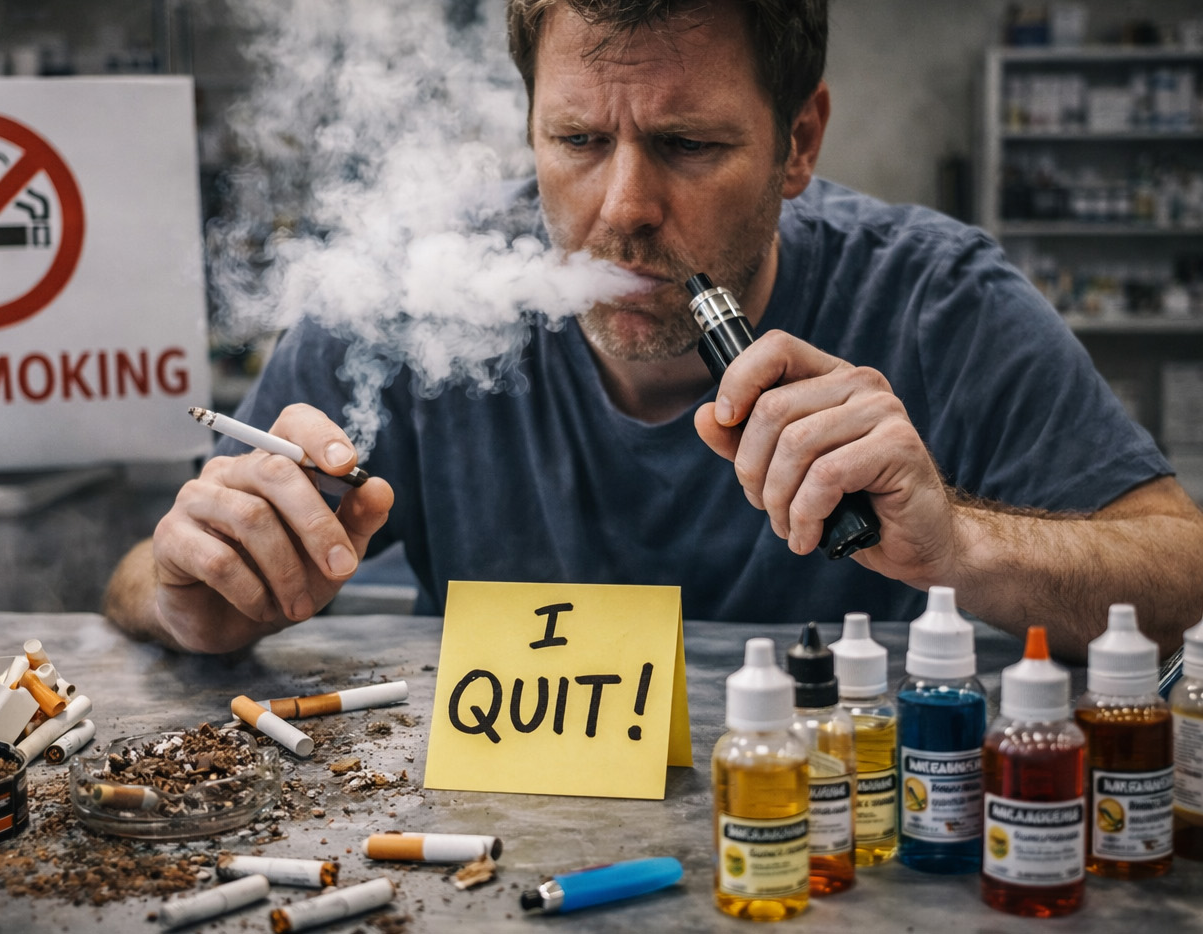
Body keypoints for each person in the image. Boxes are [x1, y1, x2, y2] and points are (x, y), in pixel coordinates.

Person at [104, 0, 1203, 659]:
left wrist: (965, 547)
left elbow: (1182, 569)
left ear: (798, 140)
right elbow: (141, 579)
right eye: (577, 139)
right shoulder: (402, 300)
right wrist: (192, 594)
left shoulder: (934, 298)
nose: (623, 208)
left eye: (686, 145)